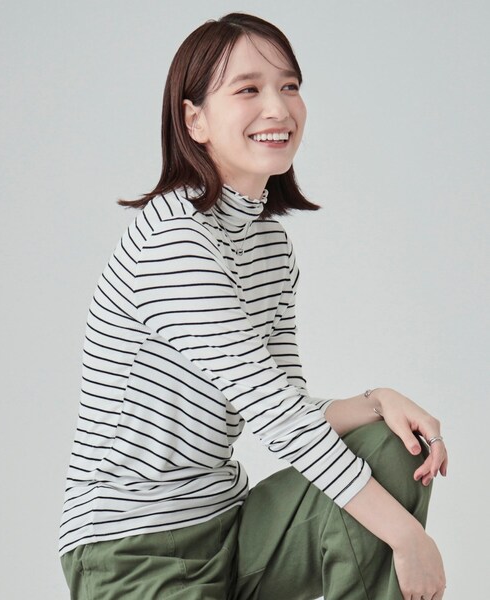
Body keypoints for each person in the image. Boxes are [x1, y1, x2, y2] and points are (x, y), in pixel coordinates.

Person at [59, 12, 448, 600]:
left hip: (230, 529)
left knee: (394, 444)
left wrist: (377, 402)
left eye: (289, 86)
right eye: (247, 90)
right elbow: (274, 414)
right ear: (194, 119)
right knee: (387, 514)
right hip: (131, 550)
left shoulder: (268, 243)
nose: (278, 108)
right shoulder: (174, 239)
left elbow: (286, 400)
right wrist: (408, 537)